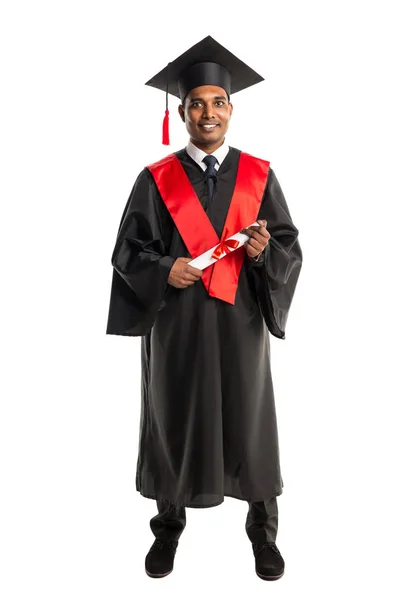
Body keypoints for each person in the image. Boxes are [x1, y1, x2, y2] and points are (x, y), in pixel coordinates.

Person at [106, 36, 302, 580]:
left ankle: (264, 534)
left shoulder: (257, 175)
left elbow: (288, 244)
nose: (208, 112)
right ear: (182, 111)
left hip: (240, 322)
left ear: (231, 109)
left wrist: (267, 255)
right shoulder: (156, 179)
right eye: (197, 103)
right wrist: (164, 268)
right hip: (178, 323)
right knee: (173, 417)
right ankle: (167, 530)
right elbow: (127, 251)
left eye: (217, 102)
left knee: (251, 423)